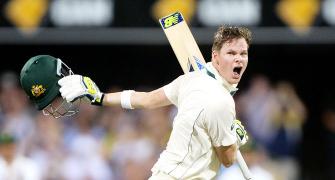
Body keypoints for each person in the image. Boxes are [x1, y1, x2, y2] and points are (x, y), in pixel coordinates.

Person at [20, 25, 252, 179]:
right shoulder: (220, 102)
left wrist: (100, 98)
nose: (239, 59)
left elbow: (146, 100)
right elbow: (228, 159)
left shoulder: (193, 80)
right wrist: (236, 136)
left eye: (243, 53)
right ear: (215, 56)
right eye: (231, 53)